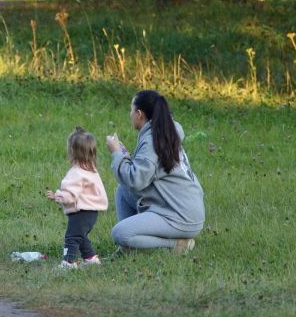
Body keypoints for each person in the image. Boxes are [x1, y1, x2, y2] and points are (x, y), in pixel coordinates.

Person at [107, 90, 205, 252]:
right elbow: (145, 173)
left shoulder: (153, 139)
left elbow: (135, 180)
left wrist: (117, 153)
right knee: (123, 192)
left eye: (131, 110)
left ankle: (177, 245)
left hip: (180, 216)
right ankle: (130, 248)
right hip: (182, 208)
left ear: (139, 114)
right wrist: (125, 156)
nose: (130, 114)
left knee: (120, 233)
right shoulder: (164, 133)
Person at [46, 126, 108, 269]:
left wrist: (58, 196)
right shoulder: (90, 170)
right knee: (81, 236)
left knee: (72, 237)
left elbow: (70, 195)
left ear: (72, 152)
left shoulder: (77, 173)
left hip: (81, 212)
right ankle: (91, 258)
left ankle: (69, 262)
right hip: (91, 213)